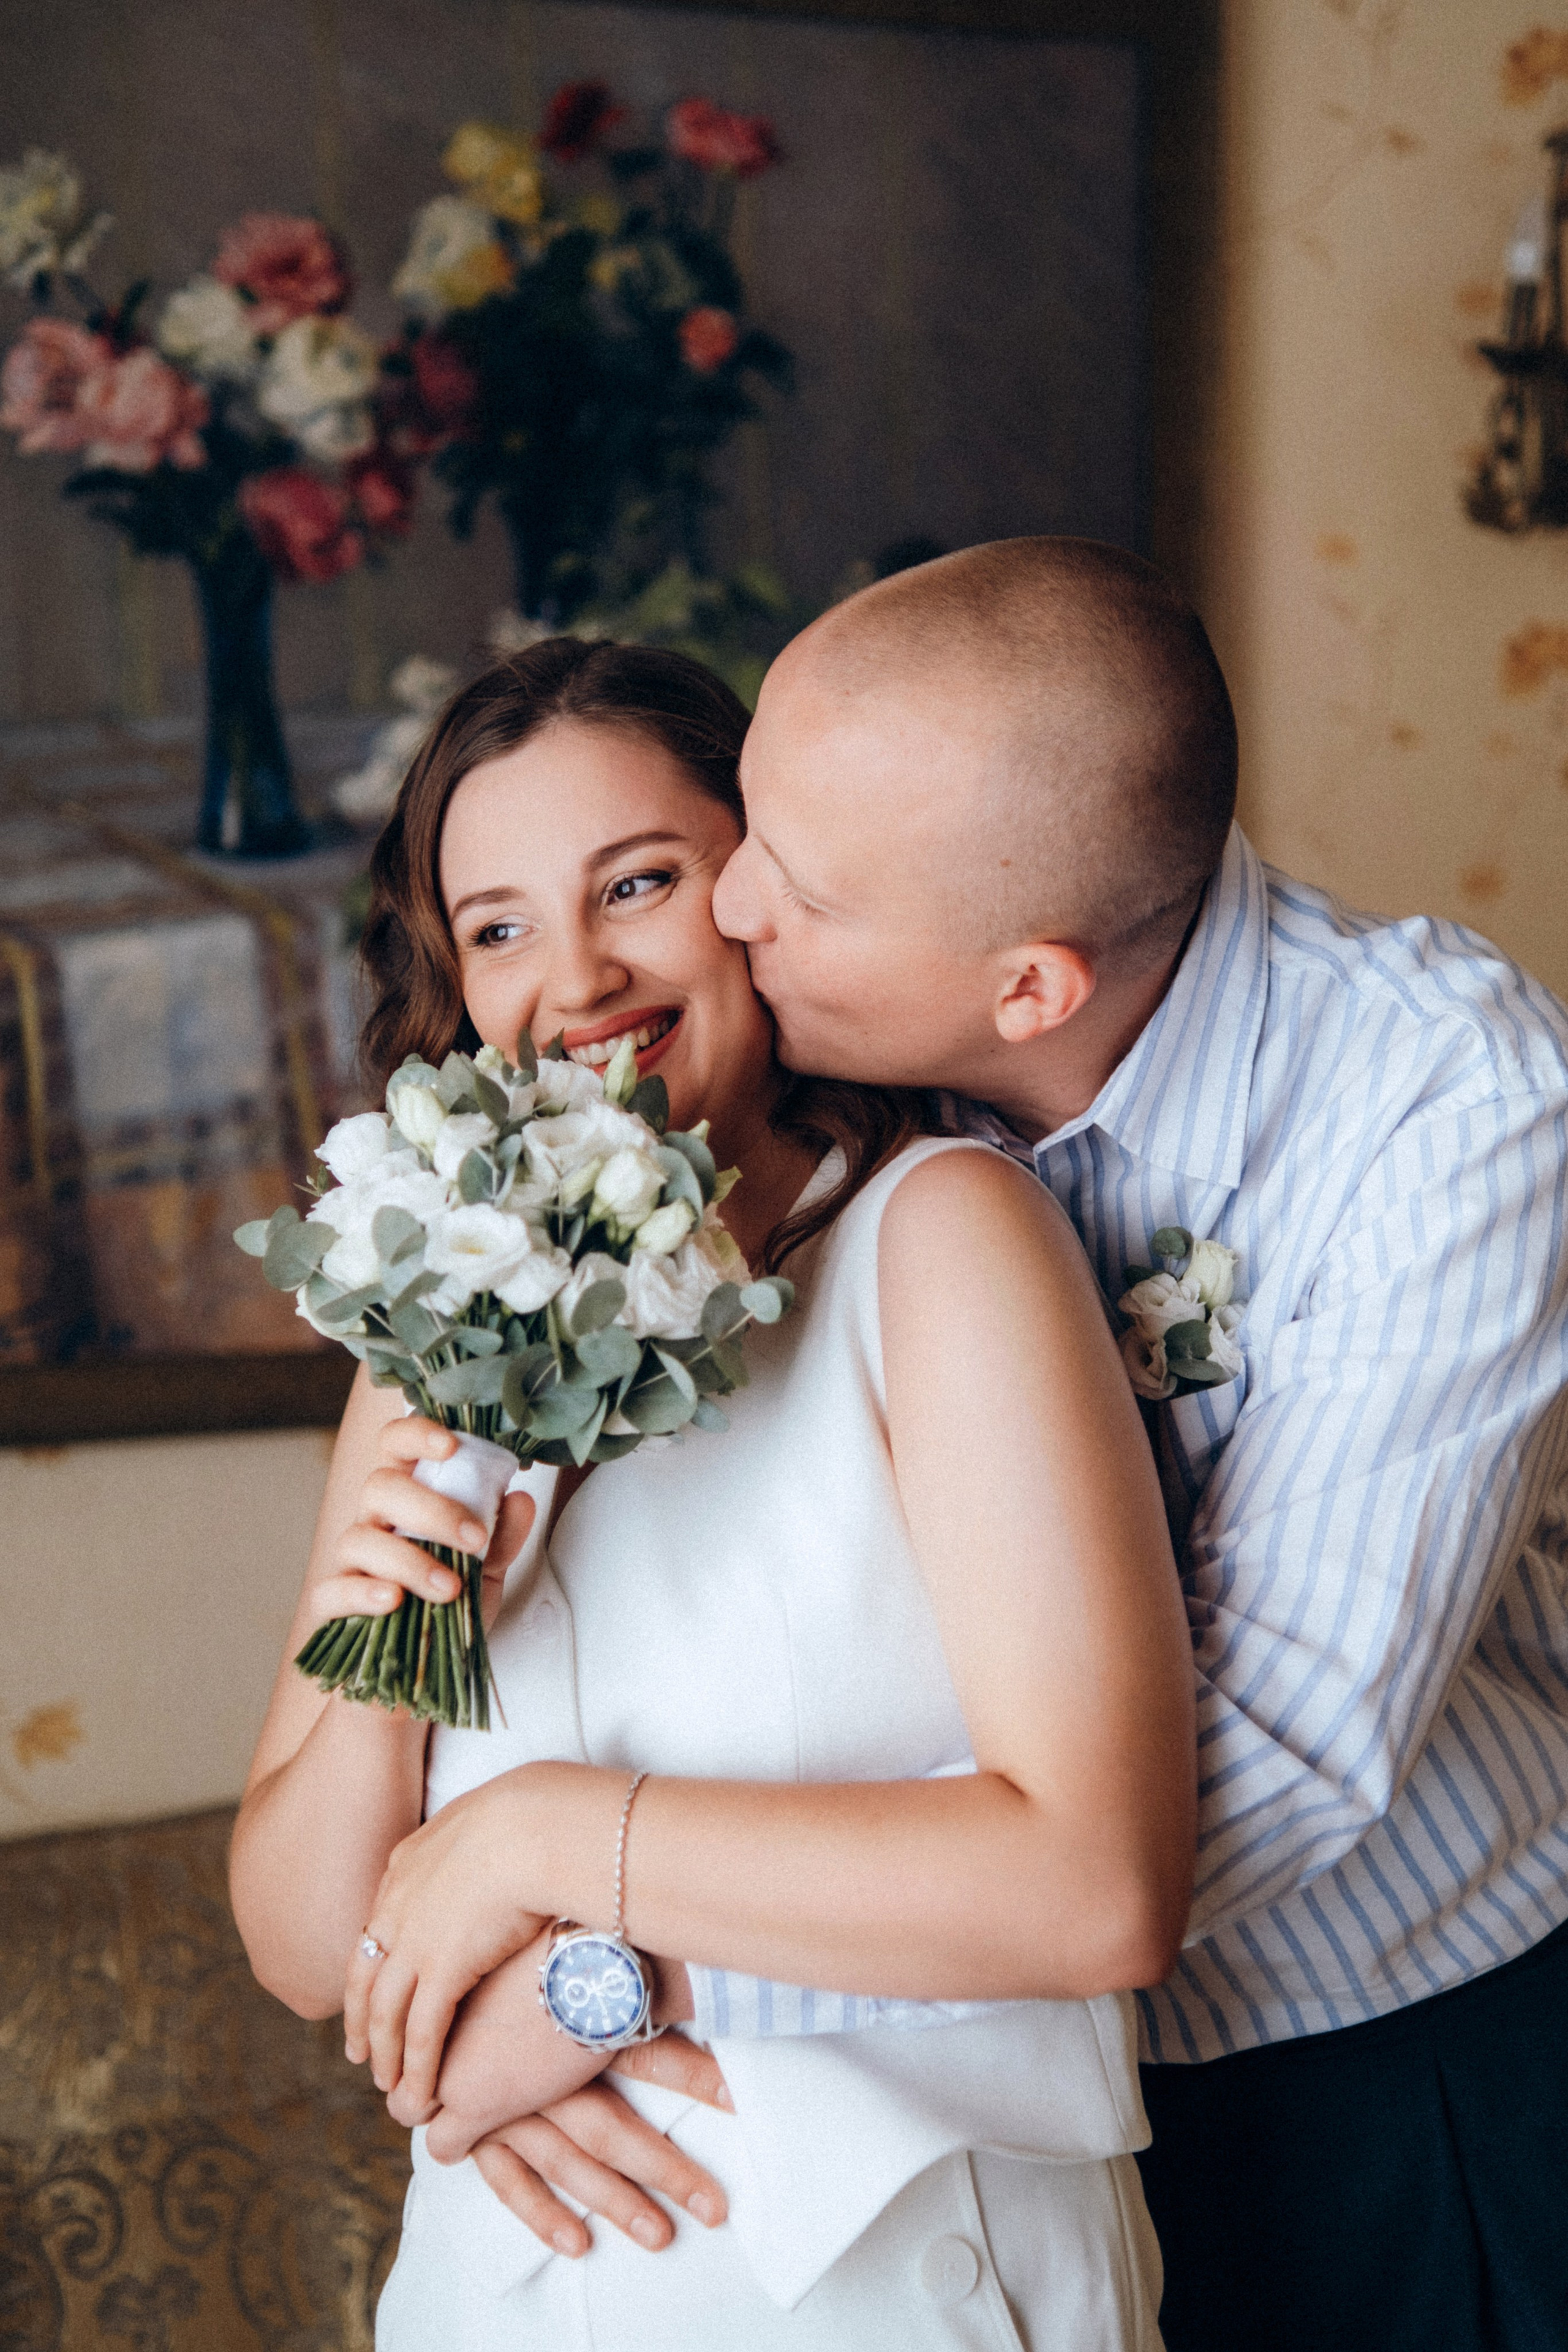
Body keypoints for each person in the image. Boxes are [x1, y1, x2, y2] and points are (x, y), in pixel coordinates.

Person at [355, 537, 1568, 2352]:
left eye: (795, 888)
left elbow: (1266, 1759)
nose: (733, 908)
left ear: (1031, 992)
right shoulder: (849, 1026)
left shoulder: (1445, 1108)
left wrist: (622, 1972)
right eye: (746, 823)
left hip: (1385, 2055)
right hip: (947, 2116)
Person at [228, 638, 1196, 2350]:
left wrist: (545, 1861)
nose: (578, 974)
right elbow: (317, 1955)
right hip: (501, 2289)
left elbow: (1096, 1885)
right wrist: (386, 1666)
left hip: (897, 2284)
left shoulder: (941, 1243)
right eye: (502, 925)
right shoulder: (427, 1332)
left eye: (640, 884)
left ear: (756, 887)